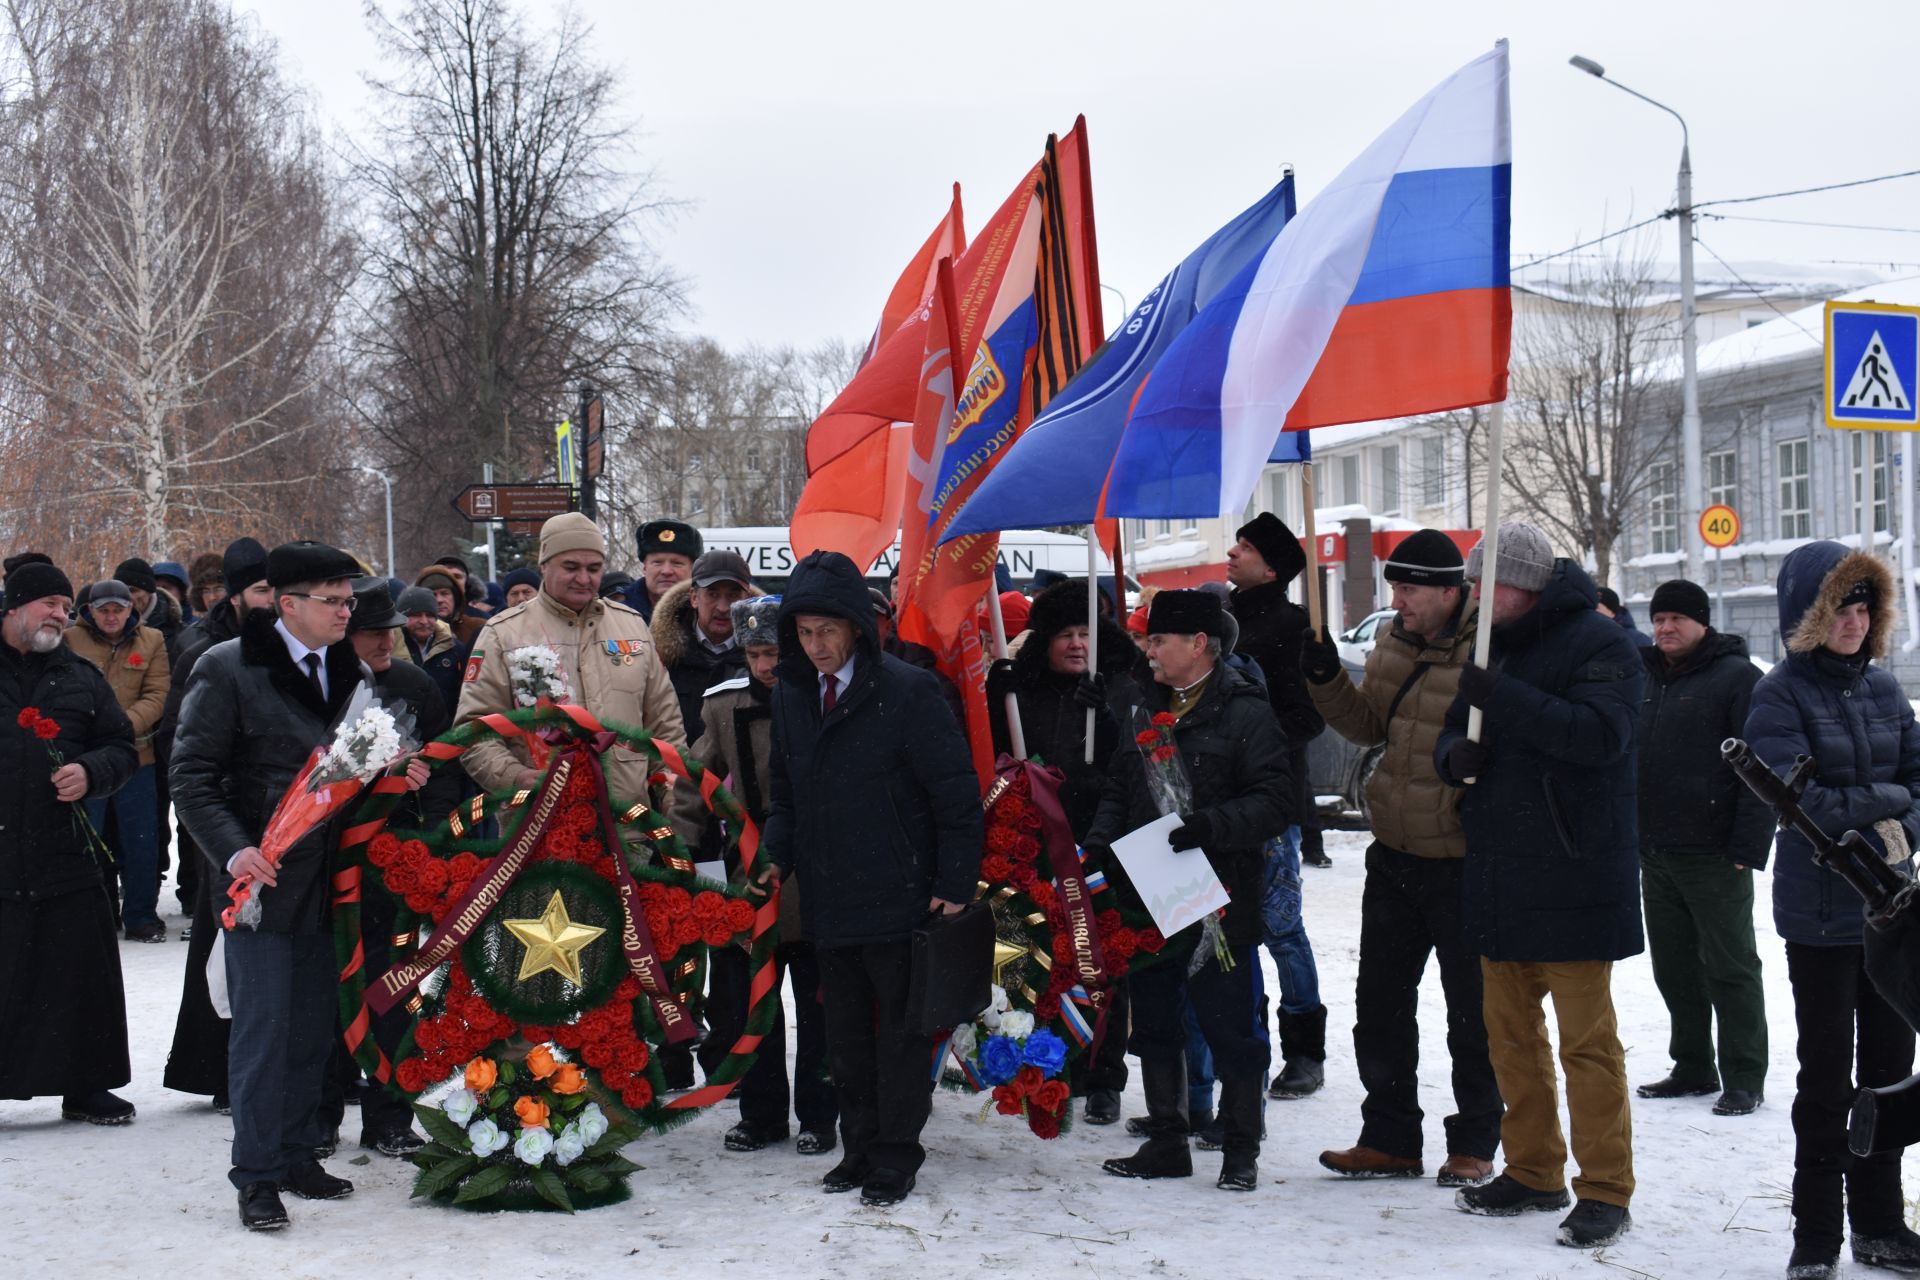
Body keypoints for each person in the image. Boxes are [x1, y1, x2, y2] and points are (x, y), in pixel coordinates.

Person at [172, 540, 419, 1230]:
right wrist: (236, 851)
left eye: (348, 598)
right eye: (334, 600)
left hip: (335, 883)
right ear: (287, 605)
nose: (348, 611)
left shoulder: (343, 668)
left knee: (314, 1030)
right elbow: (190, 777)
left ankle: (294, 1152)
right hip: (263, 883)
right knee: (263, 1036)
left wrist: (400, 770)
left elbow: (350, 767)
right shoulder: (227, 668)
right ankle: (255, 1176)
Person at [1434, 521, 1642, 1250]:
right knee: (1510, 1036)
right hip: (1499, 870)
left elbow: (1601, 737)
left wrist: (1507, 700)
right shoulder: (1493, 642)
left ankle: (1606, 1188)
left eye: (1487, 589)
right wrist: (1451, 756)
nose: (1475, 602)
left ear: (1525, 585)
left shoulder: (1602, 643)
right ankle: (1532, 1169)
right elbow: (1458, 725)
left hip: (1575, 870)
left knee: (1588, 1045)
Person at [758, 550, 981, 1208]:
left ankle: (894, 1156)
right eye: (803, 632)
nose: (816, 645)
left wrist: (954, 881)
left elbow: (956, 798)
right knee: (844, 1042)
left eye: (828, 630)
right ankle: (857, 1149)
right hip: (829, 899)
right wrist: (775, 858)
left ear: (857, 626)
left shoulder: (908, 692)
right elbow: (785, 800)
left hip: (901, 894)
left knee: (903, 1039)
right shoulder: (794, 697)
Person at [1301, 528, 1502, 1188]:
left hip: (1464, 858)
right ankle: (1388, 1136)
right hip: (1394, 854)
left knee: (1473, 1011)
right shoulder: (1394, 640)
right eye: (1394, 587)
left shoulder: (1492, 647)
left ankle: (1475, 1139)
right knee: (1379, 1004)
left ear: (1450, 591)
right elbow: (1366, 725)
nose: (1398, 600)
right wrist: (1326, 676)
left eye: (1409, 589)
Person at [1744, 542, 1920, 1280]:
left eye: (1862, 606)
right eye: (1839, 607)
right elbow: (1799, 802)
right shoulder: (1778, 694)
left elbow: (1919, 782)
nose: (1853, 621)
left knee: (1889, 1074)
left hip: (1893, 911)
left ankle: (1880, 1223)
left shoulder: (1883, 690)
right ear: (1808, 614)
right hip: (1819, 916)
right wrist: (1890, 806)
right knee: (1824, 1078)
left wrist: (1896, 819)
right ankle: (1814, 1235)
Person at [1088, 588, 1292, 1192]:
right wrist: (1099, 847)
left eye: (1159, 640)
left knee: (1231, 1025)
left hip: (1219, 896)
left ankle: (1239, 1148)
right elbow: (1120, 788)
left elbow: (1275, 802)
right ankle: (1167, 1140)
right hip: (1148, 892)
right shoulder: (1142, 705)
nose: (1147, 651)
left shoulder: (1245, 710)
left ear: (1199, 645)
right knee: (1155, 1020)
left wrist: (1210, 827)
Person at [672, 594, 838, 1155]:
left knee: (820, 1008)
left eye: (773, 651)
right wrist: (691, 859)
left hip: (817, 873)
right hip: (752, 875)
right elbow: (697, 783)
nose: (766, 665)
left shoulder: (822, 694)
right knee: (752, 1008)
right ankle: (761, 1113)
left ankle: (820, 1114)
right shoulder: (722, 706)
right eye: (755, 653)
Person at [985, 579, 1135, 1125]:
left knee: (1101, 959)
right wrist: (993, 697)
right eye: (1066, 634)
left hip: (1096, 844)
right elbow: (998, 757)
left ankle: (1105, 1075)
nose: (1077, 645)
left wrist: (1111, 720)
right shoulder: (1020, 693)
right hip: (1035, 847)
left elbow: (1134, 764)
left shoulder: (1116, 687)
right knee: (1041, 959)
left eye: (1085, 634)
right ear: (1044, 640)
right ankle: (1048, 1067)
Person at [0, 562, 140, 1125]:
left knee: (80, 975)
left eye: (65, 604)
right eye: (50, 604)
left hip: (65, 854)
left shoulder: (79, 677)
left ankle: (88, 1085)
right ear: (14, 607)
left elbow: (122, 748)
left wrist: (90, 771)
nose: (62, 614)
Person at [321, 576, 456, 1157]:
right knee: (325, 992)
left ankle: (390, 1114)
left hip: (393, 859)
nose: (387, 644)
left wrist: (432, 841)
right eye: (374, 635)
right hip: (323, 861)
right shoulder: (319, 686)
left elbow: (447, 765)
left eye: (392, 633)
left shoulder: (414, 683)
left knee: (392, 989)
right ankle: (319, 1115)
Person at [1633, 579, 1772, 1118]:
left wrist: (1748, 843)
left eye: (1678, 620)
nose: (1666, 629)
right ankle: (1692, 1065)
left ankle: (1744, 1075)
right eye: (1659, 619)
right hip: (1656, 848)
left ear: (1702, 622)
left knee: (1730, 966)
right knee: (1673, 967)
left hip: (1717, 853)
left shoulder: (1738, 678)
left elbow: (1761, 769)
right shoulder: (1646, 676)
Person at [454, 512, 686, 821]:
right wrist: (517, 777)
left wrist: (672, 793)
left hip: (627, 829)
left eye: (594, 568)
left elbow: (664, 725)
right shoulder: (503, 633)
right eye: (571, 567)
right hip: (536, 832)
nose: (584, 578)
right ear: (544, 566)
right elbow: (474, 730)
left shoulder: (632, 627)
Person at [160, 537, 274, 1109]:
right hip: (225, 819)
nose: (273, 600)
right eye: (261, 590)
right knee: (225, 936)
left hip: (282, 814)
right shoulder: (201, 650)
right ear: (234, 596)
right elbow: (181, 745)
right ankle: (220, 1067)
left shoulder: (287, 644)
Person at [1226, 511, 1331, 1096]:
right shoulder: (1219, 621)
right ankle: (1244, 1045)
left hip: (1271, 802)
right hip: (1216, 804)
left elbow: (1311, 716)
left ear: (1271, 567)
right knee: (1225, 932)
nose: (1232, 553)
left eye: (1244, 547)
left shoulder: (1298, 627)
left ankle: (1304, 1051)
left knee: (1281, 928)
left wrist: (1251, 744)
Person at [63, 579, 171, 941]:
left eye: (118, 609)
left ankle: (141, 915)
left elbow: (157, 693)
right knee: (87, 840)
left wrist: (121, 727)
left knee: (141, 840)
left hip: (136, 757)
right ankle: (94, 913)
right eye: (103, 609)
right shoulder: (69, 641)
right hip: (86, 761)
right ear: (89, 611)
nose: (111, 616)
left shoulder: (152, 641)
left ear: (131, 610)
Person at [653, 549, 758, 743]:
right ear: (694, 597)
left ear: (747, 600)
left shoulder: (766, 660)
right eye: (713, 594)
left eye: (733, 596)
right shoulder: (659, 656)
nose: (723, 607)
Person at [396, 585, 464, 714]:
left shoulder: (455, 648)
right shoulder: (391, 646)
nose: (424, 621)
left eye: (429, 615)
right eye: (416, 615)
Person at [623, 519, 702, 624]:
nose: (666, 571)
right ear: (645, 568)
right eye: (657, 562)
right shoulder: (619, 613)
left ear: (693, 569)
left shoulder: (704, 615)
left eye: (677, 563)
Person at [114, 557, 183, 660]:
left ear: (149, 591)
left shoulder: (175, 632)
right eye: (122, 591)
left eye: (133, 590)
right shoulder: (107, 626)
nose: (128, 597)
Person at [414, 564, 482, 650]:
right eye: (432, 594)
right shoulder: (412, 633)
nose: (439, 600)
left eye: (444, 593)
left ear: (455, 597)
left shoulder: (476, 628)